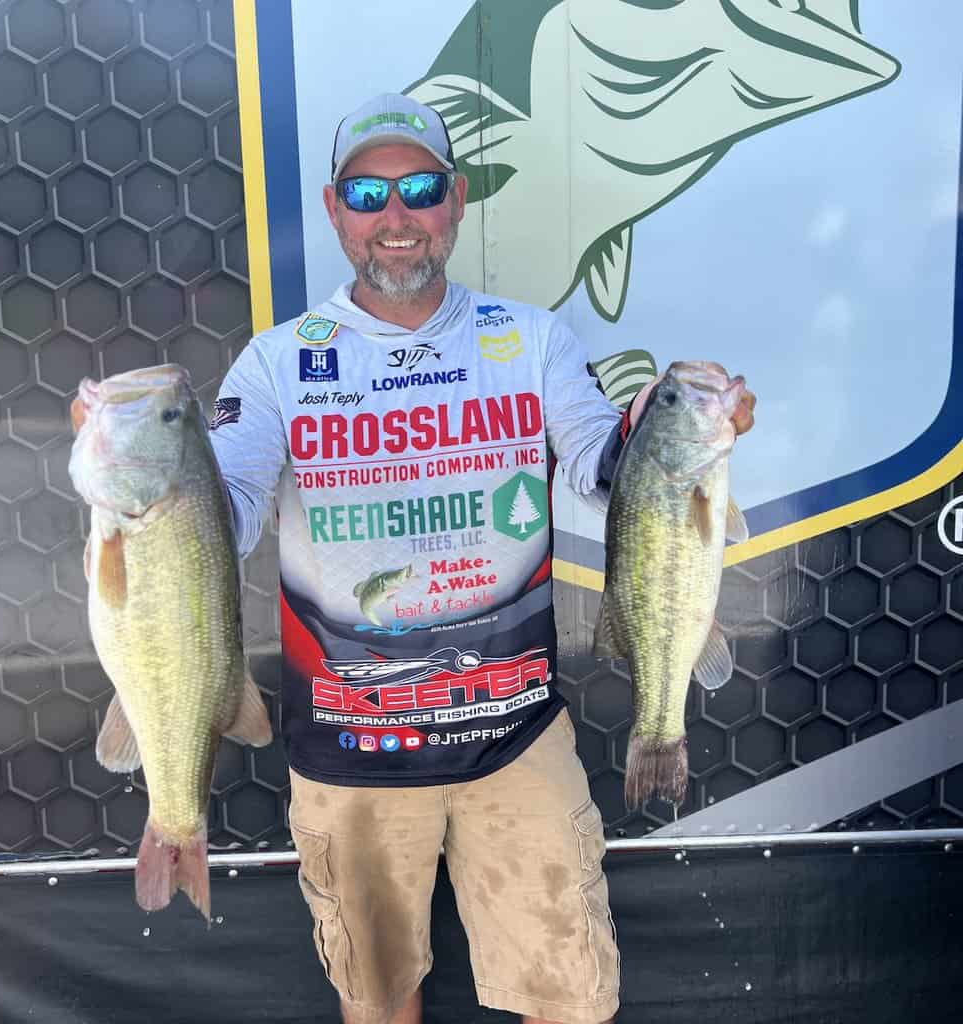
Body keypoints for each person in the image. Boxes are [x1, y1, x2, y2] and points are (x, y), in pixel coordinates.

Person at [209, 93, 755, 1024]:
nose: (395, 216)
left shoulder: (531, 340)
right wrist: (142, 489)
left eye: (418, 188)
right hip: (353, 753)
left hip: (514, 744)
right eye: (368, 192)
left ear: (456, 200)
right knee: (379, 1004)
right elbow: (227, 511)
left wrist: (683, 432)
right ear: (336, 209)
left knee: (569, 1001)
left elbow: (603, 470)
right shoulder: (275, 366)